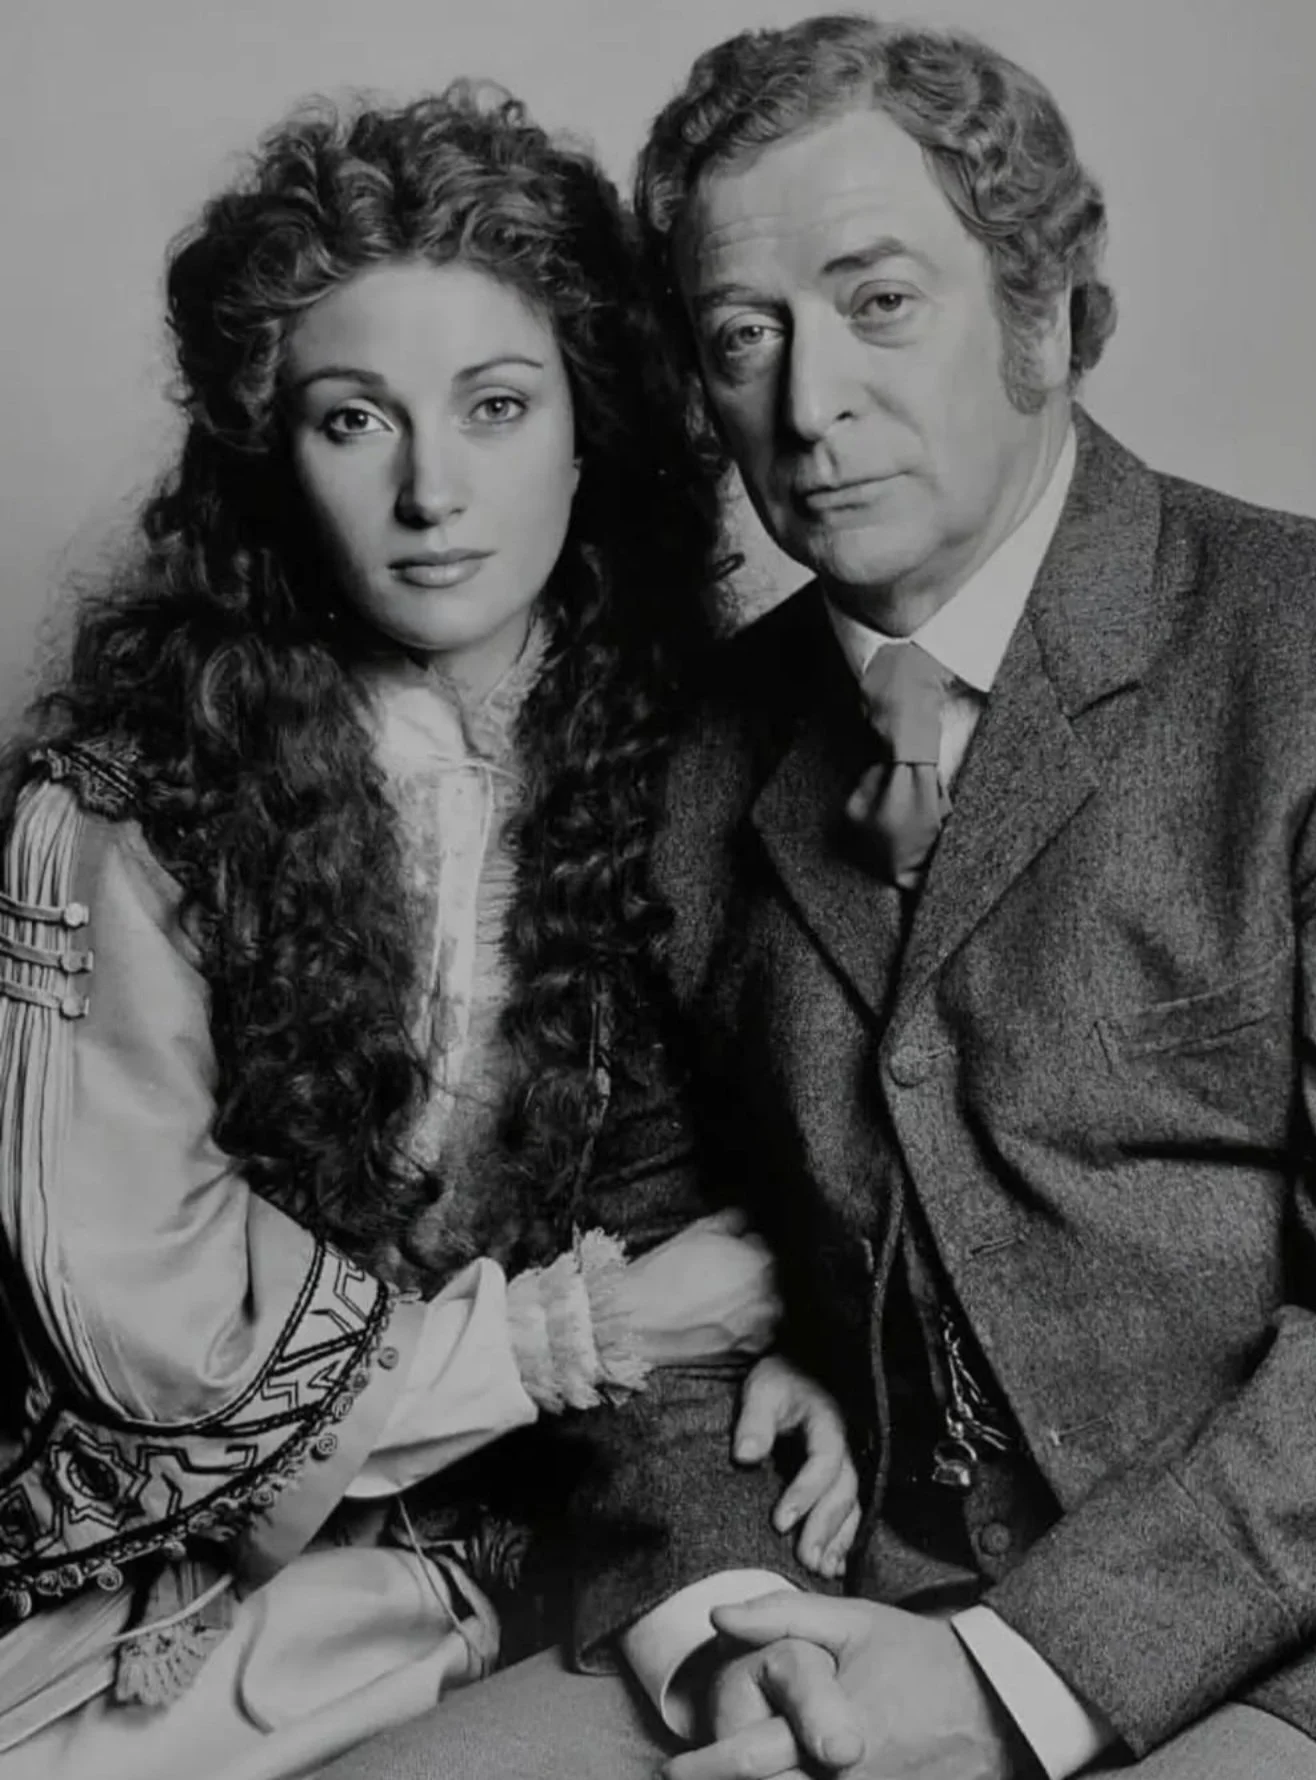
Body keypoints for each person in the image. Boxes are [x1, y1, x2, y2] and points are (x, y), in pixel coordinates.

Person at [334, 16, 1316, 1780]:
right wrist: (723, 1631)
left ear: (1050, 311)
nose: (807, 399)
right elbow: (641, 1265)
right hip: (842, 1580)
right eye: (742, 336)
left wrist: (1015, 1675)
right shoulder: (688, 746)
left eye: (880, 302)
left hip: (1313, 1620)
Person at [0, 83, 864, 1780]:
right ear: (271, 454)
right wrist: (601, 1331)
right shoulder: (122, 812)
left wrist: (822, 1344)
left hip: (589, 1552)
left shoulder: (717, 756)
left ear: (589, 424)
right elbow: (150, 1354)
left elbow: (808, 1159)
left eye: (495, 405)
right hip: (170, 1605)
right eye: (353, 421)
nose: (431, 492)